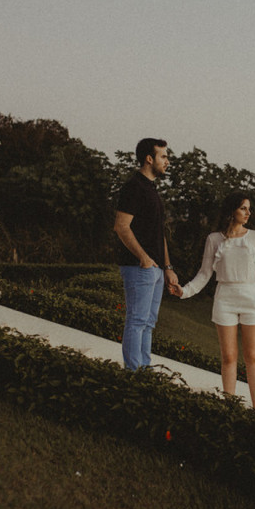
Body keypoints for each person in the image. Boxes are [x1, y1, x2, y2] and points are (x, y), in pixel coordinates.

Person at [174, 191, 255, 408]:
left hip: (252, 299)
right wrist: (184, 291)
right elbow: (204, 274)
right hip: (225, 300)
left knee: (252, 356)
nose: (248, 212)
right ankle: (229, 407)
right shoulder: (214, 239)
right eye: (243, 208)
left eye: (249, 208)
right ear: (232, 211)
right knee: (228, 357)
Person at [113, 138, 179, 370]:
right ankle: (133, 373)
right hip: (139, 267)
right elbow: (121, 226)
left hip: (156, 269)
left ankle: (144, 371)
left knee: (148, 323)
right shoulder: (134, 187)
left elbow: (158, 233)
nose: (167, 161)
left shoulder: (151, 189)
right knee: (137, 320)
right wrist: (143, 258)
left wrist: (167, 267)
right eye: (163, 156)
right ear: (149, 159)